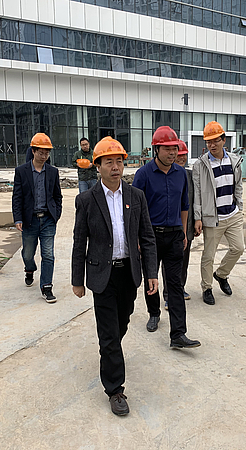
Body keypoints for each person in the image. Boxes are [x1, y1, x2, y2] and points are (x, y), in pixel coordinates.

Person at [71, 136, 158, 416]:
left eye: (119, 161)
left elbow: (147, 237)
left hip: (128, 273)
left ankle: (110, 354)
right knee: (109, 335)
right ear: (97, 166)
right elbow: (79, 241)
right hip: (102, 275)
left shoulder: (136, 196)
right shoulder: (86, 200)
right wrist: (77, 279)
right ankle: (115, 389)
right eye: (109, 162)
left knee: (121, 324)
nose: (115, 167)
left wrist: (151, 272)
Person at [132, 126, 201, 349]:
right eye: (167, 149)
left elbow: (184, 205)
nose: (172, 153)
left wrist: (183, 232)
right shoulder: (143, 174)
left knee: (175, 284)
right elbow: (134, 209)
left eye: (175, 148)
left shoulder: (181, 174)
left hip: (174, 236)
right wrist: (138, 238)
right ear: (156, 149)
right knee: (151, 279)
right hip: (150, 236)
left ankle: (178, 333)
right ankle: (154, 313)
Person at [193, 121, 244, 306]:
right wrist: (198, 217)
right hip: (212, 218)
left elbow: (238, 186)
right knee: (208, 256)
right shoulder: (201, 165)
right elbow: (197, 193)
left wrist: (240, 207)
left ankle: (221, 274)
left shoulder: (234, 161)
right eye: (208, 142)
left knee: (238, 248)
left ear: (224, 140)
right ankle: (207, 288)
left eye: (215, 140)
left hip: (233, 214)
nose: (212, 145)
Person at [12, 133, 62, 302]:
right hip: (30, 220)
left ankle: (46, 286)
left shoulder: (53, 172)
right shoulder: (21, 171)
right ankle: (29, 268)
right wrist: (18, 218)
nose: (44, 156)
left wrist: (56, 214)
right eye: (41, 152)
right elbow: (17, 197)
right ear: (33, 151)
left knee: (48, 254)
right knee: (28, 254)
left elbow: (57, 195)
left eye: (47, 153)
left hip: (48, 219)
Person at [163, 140, 194, 310]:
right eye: (179, 155)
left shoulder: (189, 175)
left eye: (183, 155)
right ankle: (168, 295)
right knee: (169, 263)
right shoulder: (166, 175)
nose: (181, 158)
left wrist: (197, 221)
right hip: (169, 228)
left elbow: (193, 201)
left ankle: (180, 288)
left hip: (186, 226)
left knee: (184, 260)